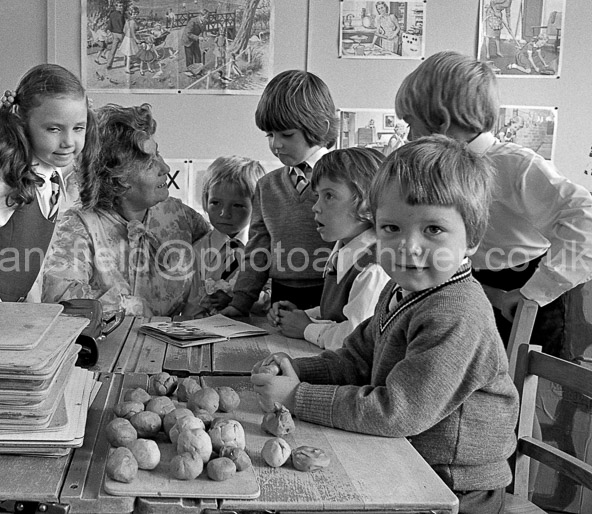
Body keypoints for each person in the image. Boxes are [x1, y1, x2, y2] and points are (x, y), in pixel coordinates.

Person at [252, 136, 519, 514]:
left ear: (472, 239)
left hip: (454, 489)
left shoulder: (456, 314)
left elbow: (396, 411)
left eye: (433, 230)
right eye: (391, 228)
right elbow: (356, 359)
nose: (408, 246)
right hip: (405, 460)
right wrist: (297, 369)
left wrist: (296, 396)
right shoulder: (400, 289)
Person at [394, 50, 592, 356]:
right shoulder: (441, 170)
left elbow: (585, 218)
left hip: (528, 289)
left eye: (411, 123)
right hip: (475, 287)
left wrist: (534, 292)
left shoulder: (515, 165)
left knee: (529, 387)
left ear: (442, 120)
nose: (408, 136)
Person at [37, 103, 210, 317]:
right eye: (149, 165)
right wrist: (129, 307)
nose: (165, 168)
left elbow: (223, 259)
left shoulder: (179, 215)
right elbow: (60, 300)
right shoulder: (80, 225)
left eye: (159, 155)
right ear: (116, 180)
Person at [0, 64, 98, 302]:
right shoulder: (5, 181)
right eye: (54, 129)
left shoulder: (52, 178)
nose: (69, 141)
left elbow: (30, 261)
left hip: (15, 314)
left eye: (78, 128)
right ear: (23, 126)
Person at [220, 70, 337, 317]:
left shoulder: (346, 180)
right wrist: (240, 303)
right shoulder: (266, 186)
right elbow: (258, 249)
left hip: (333, 295)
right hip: (283, 298)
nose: (276, 145)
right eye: (270, 135)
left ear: (320, 128)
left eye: (286, 135)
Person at [267, 148, 389, 351]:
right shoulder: (343, 250)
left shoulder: (373, 268)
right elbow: (341, 312)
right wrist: (306, 316)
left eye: (329, 196)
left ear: (368, 204)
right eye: (318, 196)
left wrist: (306, 328)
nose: (315, 207)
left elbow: (354, 340)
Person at [183, 155, 267, 317]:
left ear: (257, 206)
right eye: (215, 203)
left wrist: (235, 299)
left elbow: (271, 299)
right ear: (205, 200)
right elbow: (192, 303)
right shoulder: (198, 251)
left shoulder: (265, 249)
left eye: (237, 205)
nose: (224, 213)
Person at [119, 7, 140, 74]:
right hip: (130, 39)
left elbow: (124, 30)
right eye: (134, 14)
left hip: (126, 38)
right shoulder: (133, 22)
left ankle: (126, 64)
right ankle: (127, 68)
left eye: (136, 14)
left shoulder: (127, 20)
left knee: (127, 53)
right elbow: (133, 33)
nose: (135, 15)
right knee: (129, 54)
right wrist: (136, 39)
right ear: (131, 14)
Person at [106, 2, 126, 70]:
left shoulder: (111, 14)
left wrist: (110, 31)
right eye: (120, 6)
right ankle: (127, 63)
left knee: (113, 50)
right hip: (121, 34)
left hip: (114, 34)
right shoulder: (121, 15)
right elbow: (124, 25)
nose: (121, 7)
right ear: (116, 7)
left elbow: (109, 24)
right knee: (126, 48)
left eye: (121, 6)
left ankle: (109, 64)